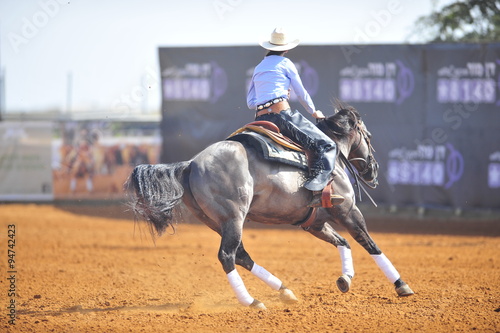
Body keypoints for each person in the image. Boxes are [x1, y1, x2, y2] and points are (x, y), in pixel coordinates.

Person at [247, 27, 344, 206]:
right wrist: (314, 112)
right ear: (287, 48)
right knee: (327, 145)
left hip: (260, 119)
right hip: (281, 115)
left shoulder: (259, 67)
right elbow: (301, 92)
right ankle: (316, 191)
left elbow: (251, 102)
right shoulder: (286, 63)